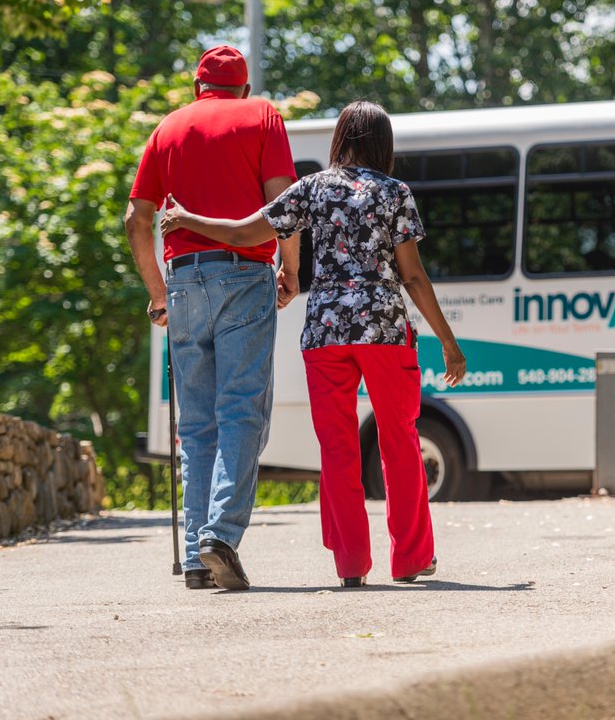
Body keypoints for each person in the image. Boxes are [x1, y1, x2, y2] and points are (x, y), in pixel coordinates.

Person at [160, 100, 466, 588]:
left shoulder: (312, 189)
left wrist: (187, 219)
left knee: (338, 449)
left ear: (340, 138)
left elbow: (245, 232)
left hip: (324, 332)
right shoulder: (394, 193)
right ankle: (410, 558)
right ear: (383, 144)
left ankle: (350, 566)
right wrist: (448, 341)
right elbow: (412, 275)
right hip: (384, 330)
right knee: (399, 441)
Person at [124, 45, 300, 591]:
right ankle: (219, 535)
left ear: (197, 88)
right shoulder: (263, 115)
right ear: (242, 89)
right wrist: (289, 271)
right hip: (243, 275)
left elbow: (136, 219)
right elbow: (282, 207)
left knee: (197, 425)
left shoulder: (168, 128)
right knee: (242, 410)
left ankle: (198, 559)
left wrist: (157, 294)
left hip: (181, 283)